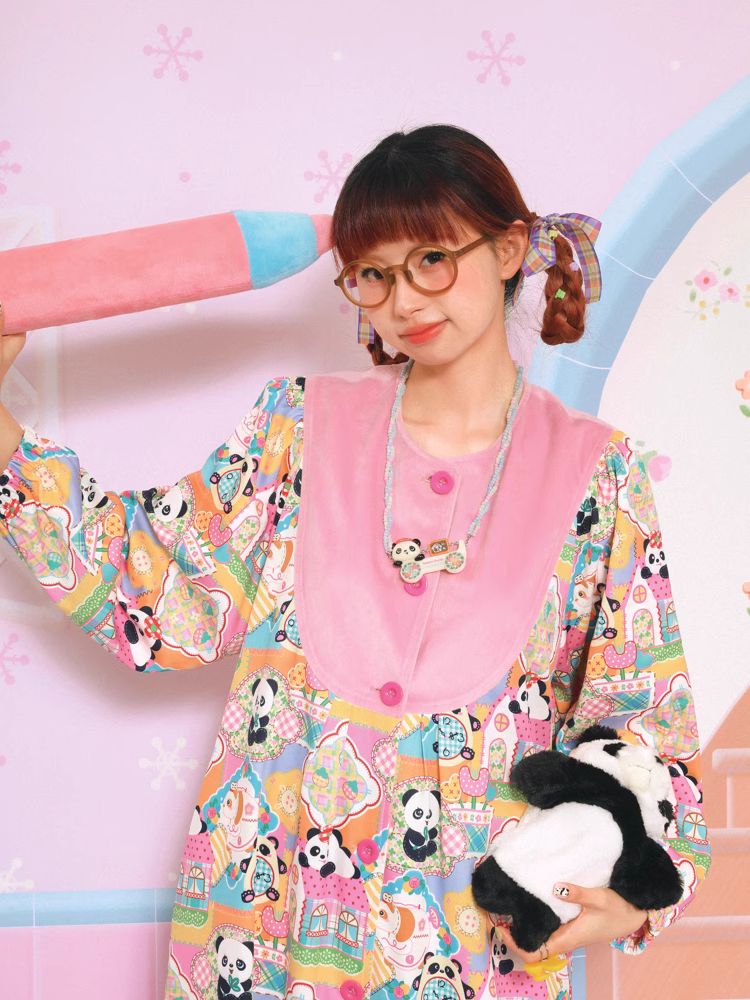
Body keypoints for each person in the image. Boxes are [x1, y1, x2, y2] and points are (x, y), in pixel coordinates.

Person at [0, 124, 711, 1000]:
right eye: (372, 274)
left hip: (475, 952)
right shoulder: (297, 427)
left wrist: (633, 897)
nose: (403, 298)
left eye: (432, 259)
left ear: (509, 249)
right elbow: (158, 590)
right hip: (266, 931)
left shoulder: (600, 475)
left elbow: (643, 718)